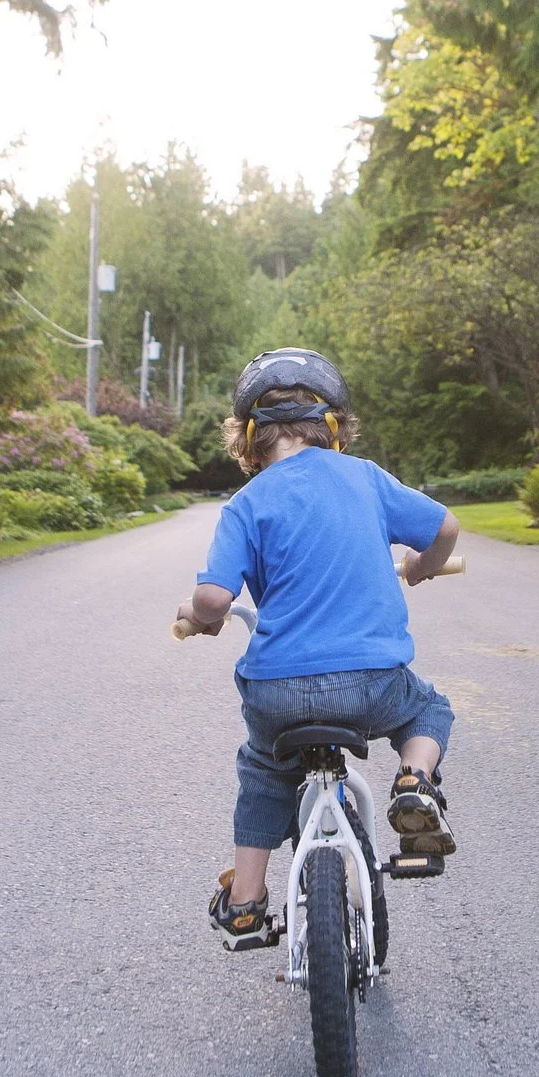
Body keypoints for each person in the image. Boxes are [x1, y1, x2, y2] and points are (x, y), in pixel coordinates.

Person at [175, 347, 463, 952]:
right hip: (373, 685)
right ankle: (414, 780)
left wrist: (201, 618)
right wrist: (421, 567)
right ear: (333, 427)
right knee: (427, 710)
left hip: (277, 691)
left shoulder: (246, 504)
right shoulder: (365, 478)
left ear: (250, 438)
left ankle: (247, 902)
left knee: (262, 769)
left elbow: (213, 596)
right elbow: (444, 528)